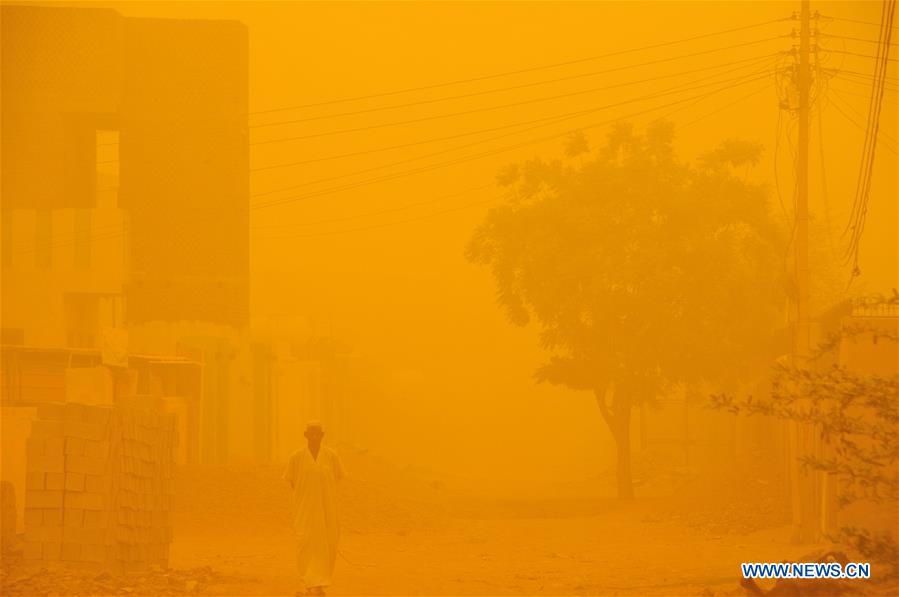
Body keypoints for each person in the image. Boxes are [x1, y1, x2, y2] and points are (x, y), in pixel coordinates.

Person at [282, 420, 344, 596]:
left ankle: (320, 581)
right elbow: (292, 482)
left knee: (328, 543)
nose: (315, 437)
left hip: (327, 511)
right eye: (312, 434)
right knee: (306, 544)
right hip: (305, 511)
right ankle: (311, 582)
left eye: (318, 434)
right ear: (306, 436)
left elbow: (337, 479)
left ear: (322, 436)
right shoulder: (296, 458)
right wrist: (307, 499)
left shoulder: (332, 457)